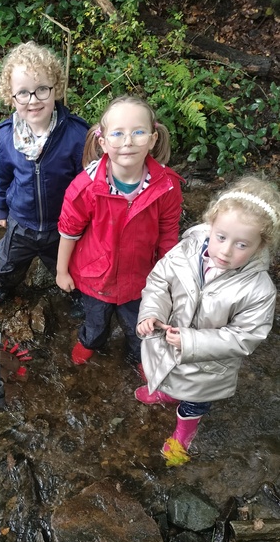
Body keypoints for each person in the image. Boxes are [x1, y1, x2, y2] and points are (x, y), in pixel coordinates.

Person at [135, 176, 280, 466]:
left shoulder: (259, 289)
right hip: (166, 347)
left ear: (261, 245)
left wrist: (191, 341)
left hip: (207, 370)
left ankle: (183, 435)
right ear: (211, 225)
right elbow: (159, 281)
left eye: (241, 244)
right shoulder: (187, 249)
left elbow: (245, 337)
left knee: (194, 403)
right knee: (165, 374)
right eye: (221, 237)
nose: (226, 251)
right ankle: (164, 392)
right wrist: (151, 313)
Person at [56, 95, 183, 377]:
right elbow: (69, 231)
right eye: (118, 133)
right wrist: (61, 270)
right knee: (95, 320)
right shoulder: (85, 187)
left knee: (141, 325)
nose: (128, 141)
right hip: (94, 277)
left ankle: (141, 354)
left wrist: (169, 280)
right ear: (102, 142)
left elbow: (168, 234)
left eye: (138, 132)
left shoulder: (168, 187)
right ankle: (90, 342)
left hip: (140, 278)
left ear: (152, 138)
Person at [0, 41, 89, 314]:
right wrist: (1, 208)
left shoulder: (76, 135)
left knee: (70, 264)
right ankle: (2, 286)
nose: (33, 100)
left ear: (56, 88)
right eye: (23, 93)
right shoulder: (3, 137)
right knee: (7, 262)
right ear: (11, 97)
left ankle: (76, 293)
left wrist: (85, 219)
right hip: (21, 222)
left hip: (62, 225)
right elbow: (0, 175)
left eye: (42, 89)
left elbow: (87, 184)